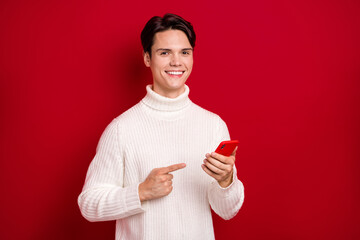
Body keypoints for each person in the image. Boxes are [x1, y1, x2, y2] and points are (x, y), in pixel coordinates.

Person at [78, 13, 245, 240]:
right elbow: (88, 204)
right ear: (147, 58)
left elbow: (227, 211)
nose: (176, 62)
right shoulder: (121, 129)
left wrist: (226, 181)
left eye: (184, 52)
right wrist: (141, 191)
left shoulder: (213, 125)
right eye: (165, 53)